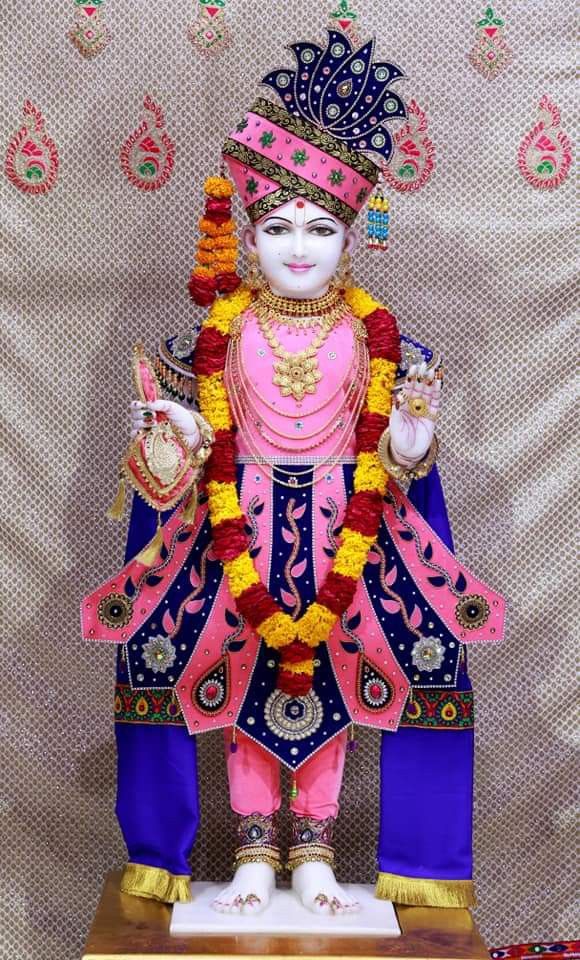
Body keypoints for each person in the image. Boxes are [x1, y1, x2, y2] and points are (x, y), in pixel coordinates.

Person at [83, 28, 505, 915]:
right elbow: (172, 470)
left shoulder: (380, 338)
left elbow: (404, 461)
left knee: (338, 666)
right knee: (236, 668)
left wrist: (419, 432)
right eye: (277, 227)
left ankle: (311, 842)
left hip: (347, 525)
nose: (299, 247)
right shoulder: (215, 337)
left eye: (320, 228)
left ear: (352, 238)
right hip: (237, 529)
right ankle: (251, 846)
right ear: (246, 235)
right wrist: (169, 433)